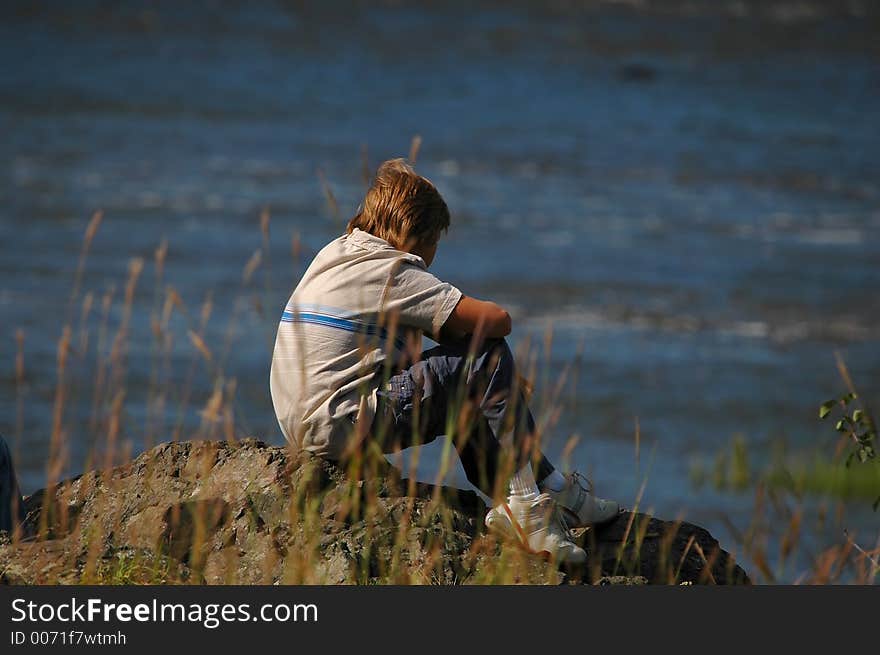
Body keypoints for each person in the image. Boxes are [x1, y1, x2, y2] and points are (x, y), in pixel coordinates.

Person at [270, 159, 619, 565]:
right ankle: (525, 502)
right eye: (435, 241)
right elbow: (495, 319)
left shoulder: (337, 254)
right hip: (343, 421)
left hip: (307, 422)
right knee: (486, 355)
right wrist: (492, 372)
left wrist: (494, 383)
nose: (434, 254)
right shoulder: (392, 270)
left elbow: (436, 344)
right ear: (413, 235)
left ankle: (546, 487)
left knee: (473, 373)